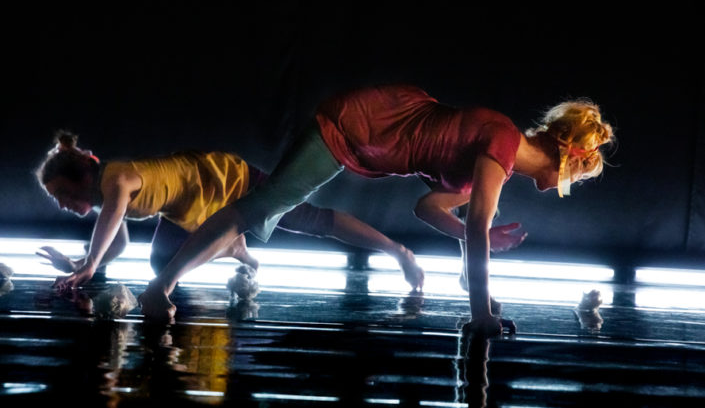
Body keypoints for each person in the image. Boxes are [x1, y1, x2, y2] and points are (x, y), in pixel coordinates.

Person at [138, 83, 615, 334]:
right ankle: (160, 286)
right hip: (360, 125)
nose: (561, 189)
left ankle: (162, 285)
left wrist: (482, 247)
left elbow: (428, 209)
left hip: (368, 130)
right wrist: (481, 313)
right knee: (259, 207)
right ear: (569, 159)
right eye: (573, 178)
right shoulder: (502, 143)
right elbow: (472, 228)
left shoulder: (499, 160)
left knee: (267, 209)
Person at [34, 131, 426, 292]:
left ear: (83, 175)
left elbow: (111, 218)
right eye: (57, 201)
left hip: (225, 179)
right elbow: (113, 240)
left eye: (63, 194)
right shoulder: (106, 198)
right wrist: (83, 262)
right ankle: (233, 247)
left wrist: (87, 266)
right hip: (191, 206)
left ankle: (398, 251)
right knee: (161, 262)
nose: (63, 205)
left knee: (308, 220)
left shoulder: (114, 179)